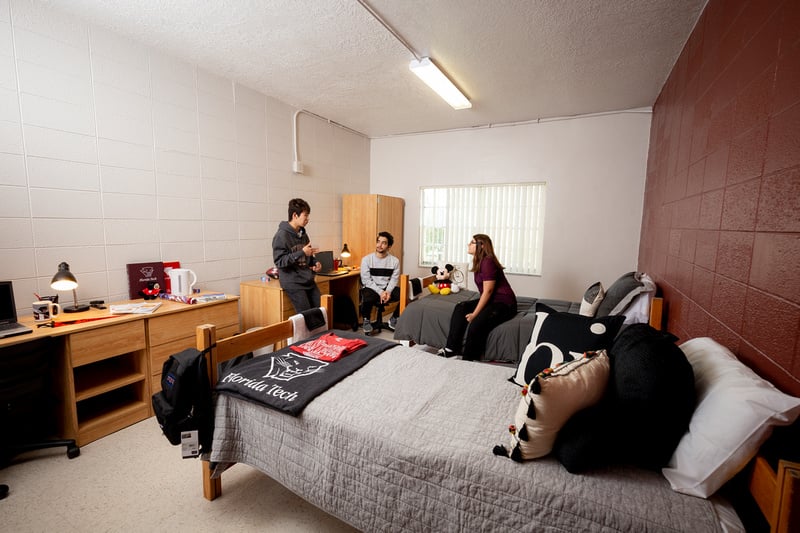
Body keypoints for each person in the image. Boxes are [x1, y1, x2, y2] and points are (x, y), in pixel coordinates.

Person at [437, 234, 517, 361]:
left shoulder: (488, 261)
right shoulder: (479, 261)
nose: (468, 244)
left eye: (472, 242)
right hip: (492, 300)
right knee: (461, 307)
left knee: (476, 323)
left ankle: (468, 360)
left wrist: (475, 314)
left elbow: (488, 291)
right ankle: (451, 349)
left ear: (482, 246)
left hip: (504, 303)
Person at [272, 198, 322, 313]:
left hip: (307, 280)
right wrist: (302, 252)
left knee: (322, 310)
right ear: (295, 215)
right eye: (306, 216)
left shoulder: (302, 233)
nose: (308, 219)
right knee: (307, 317)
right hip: (293, 283)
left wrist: (315, 263)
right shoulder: (281, 235)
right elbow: (280, 262)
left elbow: (307, 256)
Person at [360, 231, 401, 334]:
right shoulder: (366, 260)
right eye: (378, 241)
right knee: (367, 294)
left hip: (387, 289)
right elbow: (366, 280)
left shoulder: (394, 261)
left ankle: (394, 319)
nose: (379, 245)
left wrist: (387, 292)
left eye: (384, 243)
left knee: (406, 293)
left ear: (389, 246)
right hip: (372, 288)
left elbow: (394, 279)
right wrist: (381, 292)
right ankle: (366, 320)